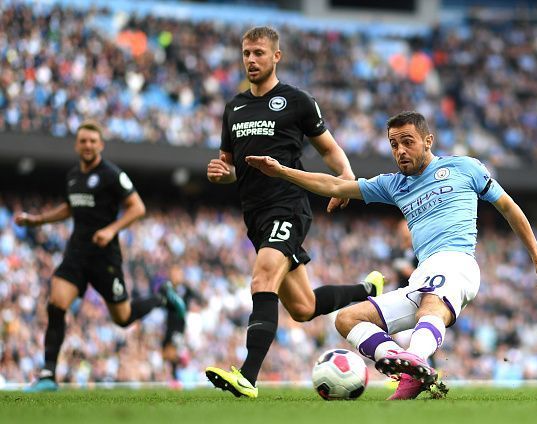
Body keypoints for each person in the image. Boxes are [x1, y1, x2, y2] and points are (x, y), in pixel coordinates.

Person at [246, 111, 537, 400]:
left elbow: (508, 207)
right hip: (423, 275)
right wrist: (282, 171)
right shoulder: (393, 185)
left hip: (457, 262)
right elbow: (333, 184)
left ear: (428, 141)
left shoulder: (465, 168)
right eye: (394, 145)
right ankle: (404, 368)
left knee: (430, 308)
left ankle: (417, 361)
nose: (400, 151)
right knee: (347, 318)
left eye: (407, 142)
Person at [205, 26, 384, 398]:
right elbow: (231, 168)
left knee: (262, 278)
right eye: (246, 53)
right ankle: (367, 289)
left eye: (258, 53)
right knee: (303, 307)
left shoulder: (297, 101)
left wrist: (346, 180)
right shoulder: (233, 108)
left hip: (288, 206)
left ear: (276, 56)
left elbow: (330, 150)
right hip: (254, 215)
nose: (251, 60)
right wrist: (223, 174)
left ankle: (248, 378)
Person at [15, 120, 186, 392]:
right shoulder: (73, 176)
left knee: (123, 318)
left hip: (104, 258)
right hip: (76, 254)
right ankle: (48, 375)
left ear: (101, 145)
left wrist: (110, 230)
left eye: (93, 141)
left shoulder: (111, 174)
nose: (88, 145)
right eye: (83, 141)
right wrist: (37, 221)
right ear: (76, 144)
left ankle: (163, 298)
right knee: (56, 304)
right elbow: (69, 208)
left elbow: (137, 208)